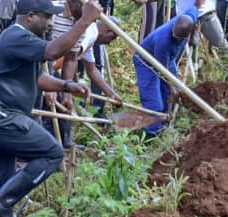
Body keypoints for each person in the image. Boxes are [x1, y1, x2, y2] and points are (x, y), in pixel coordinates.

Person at [0, 0, 100, 217]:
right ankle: (3, 203)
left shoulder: (21, 42)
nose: (50, 22)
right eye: (46, 17)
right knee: (52, 153)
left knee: (4, 184)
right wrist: (85, 20)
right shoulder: (15, 36)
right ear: (30, 16)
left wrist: (66, 85)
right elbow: (53, 51)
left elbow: (37, 78)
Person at [50, 0, 121, 148]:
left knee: (64, 97)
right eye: (112, 39)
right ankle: (61, 142)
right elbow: (68, 58)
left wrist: (111, 93)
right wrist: (64, 85)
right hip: (47, 64)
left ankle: (65, 142)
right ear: (108, 31)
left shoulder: (90, 34)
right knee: (57, 100)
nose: (108, 44)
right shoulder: (90, 31)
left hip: (54, 65)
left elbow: (91, 69)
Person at [136, 4, 201, 137]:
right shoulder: (163, 41)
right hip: (146, 60)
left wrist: (194, 35)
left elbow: (196, 14)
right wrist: (172, 89)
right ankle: (152, 134)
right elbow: (163, 72)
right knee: (154, 100)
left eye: (179, 38)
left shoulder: (190, 15)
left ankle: (166, 121)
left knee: (170, 92)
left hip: (168, 59)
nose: (175, 38)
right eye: (174, 36)